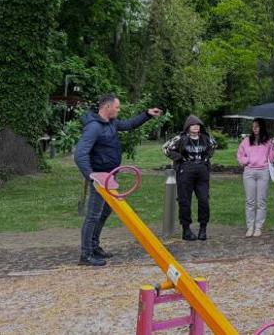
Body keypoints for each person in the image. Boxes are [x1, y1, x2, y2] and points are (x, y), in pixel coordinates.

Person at [74, 95, 161, 266]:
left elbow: (129, 124)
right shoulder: (94, 127)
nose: (118, 110)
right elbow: (80, 154)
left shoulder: (111, 123)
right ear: (107, 107)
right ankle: (86, 255)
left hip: (110, 177)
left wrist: (147, 114)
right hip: (100, 178)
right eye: (117, 107)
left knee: (105, 211)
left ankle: (94, 246)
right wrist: (91, 176)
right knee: (93, 215)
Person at [163, 115, 217, 241]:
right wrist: (179, 158)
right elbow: (165, 148)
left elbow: (214, 145)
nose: (196, 127)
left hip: (202, 171)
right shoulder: (180, 138)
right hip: (185, 170)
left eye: (198, 125)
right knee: (185, 200)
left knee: (204, 200)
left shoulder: (206, 138)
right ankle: (186, 230)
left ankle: (203, 229)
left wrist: (207, 157)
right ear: (188, 126)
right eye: (193, 125)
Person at [237, 119, 274, 237]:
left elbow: (272, 158)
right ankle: (250, 227)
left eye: (257, 126)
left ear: (262, 128)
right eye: (253, 126)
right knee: (250, 201)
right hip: (249, 172)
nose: (254, 128)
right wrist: (247, 161)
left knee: (261, 201)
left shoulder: (268, 142)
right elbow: (240, 155)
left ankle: (258, 227)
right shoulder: (246, 141)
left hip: (263, 172)